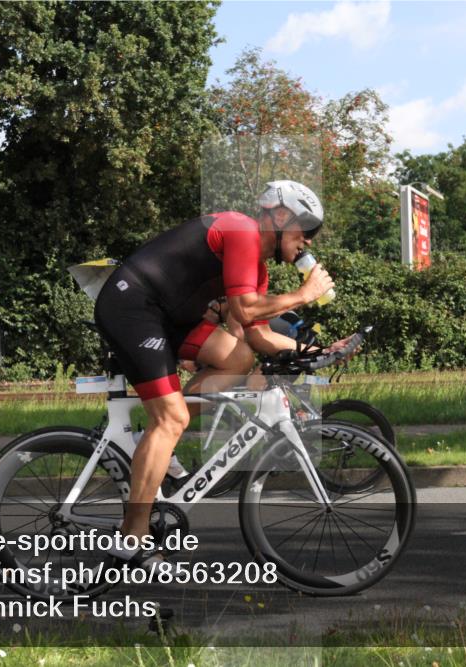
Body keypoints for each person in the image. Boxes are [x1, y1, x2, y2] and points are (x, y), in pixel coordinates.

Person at [93, 181, 344, 565]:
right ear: (279, 217)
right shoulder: (241, 229)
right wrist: (303, 295)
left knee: (238, 358)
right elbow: (244, 310)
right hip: (133, 307)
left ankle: (155, 440)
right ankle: (132, 538)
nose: (308, 242)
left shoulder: (257, 270)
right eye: (305, 231)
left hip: (167, 316)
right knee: (172, 416)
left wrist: (318, 351)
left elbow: (257, 337)